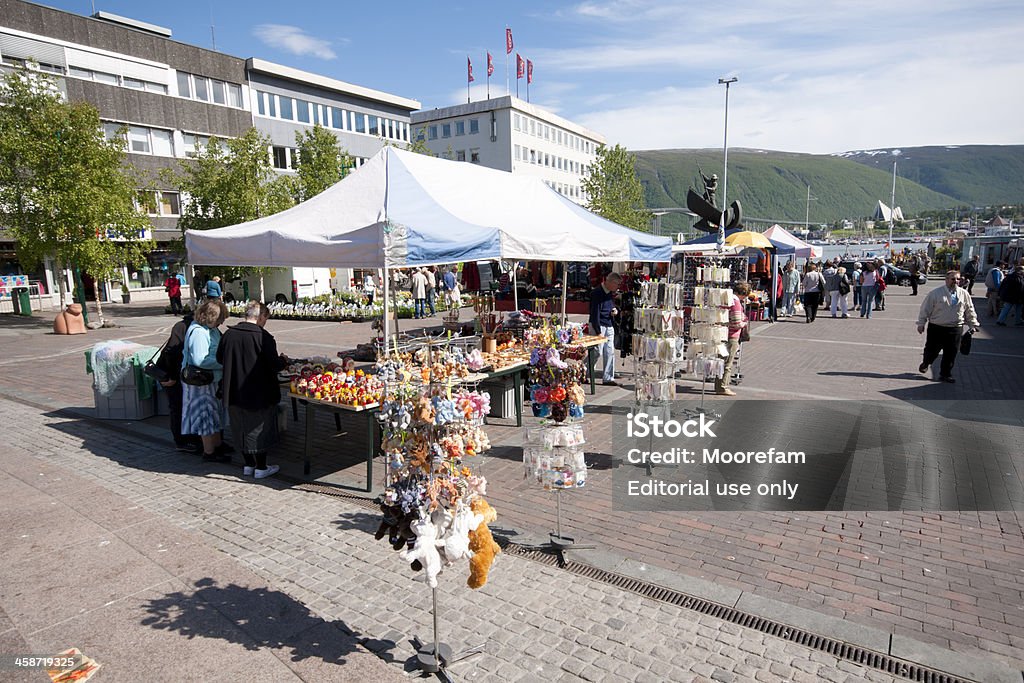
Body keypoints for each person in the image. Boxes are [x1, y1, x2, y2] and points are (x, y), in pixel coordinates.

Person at [217, 301, 286, 479]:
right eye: (265, 318)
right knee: (258, 428)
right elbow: (274, 365)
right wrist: (284, 361)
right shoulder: (263, 337)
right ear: (260, 316)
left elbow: (219, 358)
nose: (265, 322)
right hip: (258, 391)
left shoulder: (229, 334)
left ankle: (248, 465)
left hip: (233, 389)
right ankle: (261, 467)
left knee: (239, 426)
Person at [181, 298, 231, 462]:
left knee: (214, 413)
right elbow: (200, 360)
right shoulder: (199, 332)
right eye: (219, 319)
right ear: (210, 317)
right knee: (205, 415)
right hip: (201, 382)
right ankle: (209, 452)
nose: (221, 323)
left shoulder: (208, 329)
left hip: (211, 380)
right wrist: (224, 364)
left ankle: (217, 444)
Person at [916, 270, 979, 383]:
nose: (956, 281)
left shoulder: (964, 294)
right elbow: (925, 309)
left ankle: (945, 374)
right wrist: (921, 323)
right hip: (937, 327)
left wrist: (973, 324)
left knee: (951, 353)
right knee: (932, 350)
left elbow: (970, 309)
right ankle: (926, 362)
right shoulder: (935, 293)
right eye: (953, 279)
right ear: (946, 280)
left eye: (958, 279)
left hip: (955, 328)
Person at [154, 313, 202, 453]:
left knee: (183, 407)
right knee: (178, 407)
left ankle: (191, 439)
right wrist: (173, 376)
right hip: (172, 375)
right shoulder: (183, 327)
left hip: (179, 374)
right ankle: (181, 441)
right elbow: (171, 352)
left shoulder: (187, 326)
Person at [716, 281, 750, 396]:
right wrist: (744, 323)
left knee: (722, 361)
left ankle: (719, 385)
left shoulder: (727, 300)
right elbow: (736, 322)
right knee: (728, 362)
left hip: (723, 333)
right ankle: (723, 386)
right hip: (732, 335)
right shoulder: (736, 303)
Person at [589, 272, 621, 386]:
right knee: (597, 351)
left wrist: (614, 310)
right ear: (611, 282)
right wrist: (598, 331)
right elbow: (595, 313)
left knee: (609, 351)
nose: (617, 287)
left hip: (609, 324)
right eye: (617, 284)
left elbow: (610, 306)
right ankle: (585, 371)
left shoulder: (609, 293)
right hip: (600, 326)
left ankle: (608, 377)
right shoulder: (597, 293)